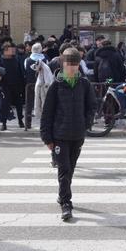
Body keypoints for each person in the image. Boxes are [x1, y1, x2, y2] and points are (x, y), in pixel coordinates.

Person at [40, 48, 97, 222]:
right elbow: (47, 112)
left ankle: (62, 194)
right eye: (69, 64)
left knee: (70, 168)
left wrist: (86, 123)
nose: (72, 68)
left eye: (75, 64)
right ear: (62, 64)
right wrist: (47, 137)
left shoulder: (84, 84)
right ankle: (66, 203)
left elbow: (91, 106)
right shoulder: (57, 85)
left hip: (77, 134)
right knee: (64, 169)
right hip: (59, 135)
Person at [0, 43, 27, 132]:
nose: (13, 50)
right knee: (5, 105)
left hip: (17, 86)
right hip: (5, 86)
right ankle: (4, 123)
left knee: (19, 104)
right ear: (5, 51)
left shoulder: (16, 59)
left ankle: (20, 121)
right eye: (11, 49)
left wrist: (22, 85)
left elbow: (20, 72)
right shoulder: (0, 61)